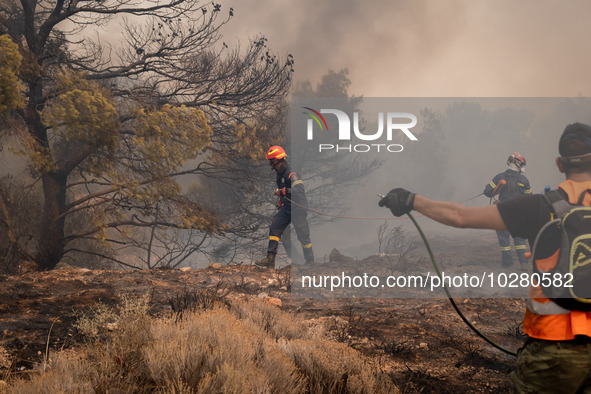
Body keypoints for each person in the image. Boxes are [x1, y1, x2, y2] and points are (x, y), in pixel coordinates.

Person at [378, 122, 591, 393]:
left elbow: (460, 216)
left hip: (553, 350)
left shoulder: (540, 206)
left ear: (560, 164)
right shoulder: (528, 188)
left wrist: (410, 200)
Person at [255, 146, 315, 268]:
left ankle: (310, 262)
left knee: (303, 235)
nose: (271, 166)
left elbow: (299, 189)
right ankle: (270, 259)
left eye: (272, 163)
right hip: (287, 208)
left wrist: (284, 191)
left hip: (298, 209)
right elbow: (286, 193)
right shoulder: (280, 174)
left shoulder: (292, 174)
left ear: (278, 160)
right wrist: (282, 201)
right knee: (275, 227)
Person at [483, 152, 532, 270]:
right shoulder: (523, 179)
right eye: (523, 165)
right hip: (519, 214)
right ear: (518, 164)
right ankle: (524, 263)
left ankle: (507, 264)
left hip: (502, 213)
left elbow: (487, 191)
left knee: (504, 239)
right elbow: (530, 199)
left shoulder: (500, 177)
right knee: (520, 240)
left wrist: (494, 191)